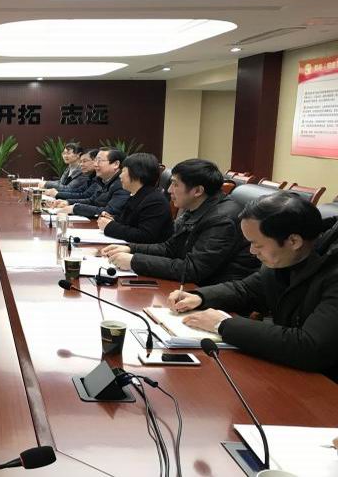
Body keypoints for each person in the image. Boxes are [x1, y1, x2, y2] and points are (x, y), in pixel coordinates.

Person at [165, 192, 338, 382]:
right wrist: (200, 297)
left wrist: (222, 324)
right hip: (291, 370)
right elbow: (246, 290)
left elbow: (311, 346)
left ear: (293, 241)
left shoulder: (332, 273)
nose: (252, 251)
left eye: (258, 245)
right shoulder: (285, 258)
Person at [102, 158, 258, 286]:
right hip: (194, 286)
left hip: (215, 293)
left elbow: (193, 269)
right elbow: (170, 248)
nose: (169, 190)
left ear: (198, 191)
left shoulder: (222, 220)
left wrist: (135, 261)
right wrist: (130, 248)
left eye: (175, 184)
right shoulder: (196, 207)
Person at [97, 153, 173, 243]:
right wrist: (113, 219)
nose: (120, 176)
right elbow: (129, 222)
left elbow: (145, 236)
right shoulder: (137, 195)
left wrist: (110, 226)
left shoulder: (155, 201)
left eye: (123, 171)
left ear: (137, 173)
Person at [52, 147, 129, 219]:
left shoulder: (122, 184)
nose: (95, 164)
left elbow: (110, 211)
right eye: (95, 160)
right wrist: (68, 202)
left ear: (116, 164)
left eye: (99, 161)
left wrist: (75, 208)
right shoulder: (103, 180)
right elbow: (92, 201)